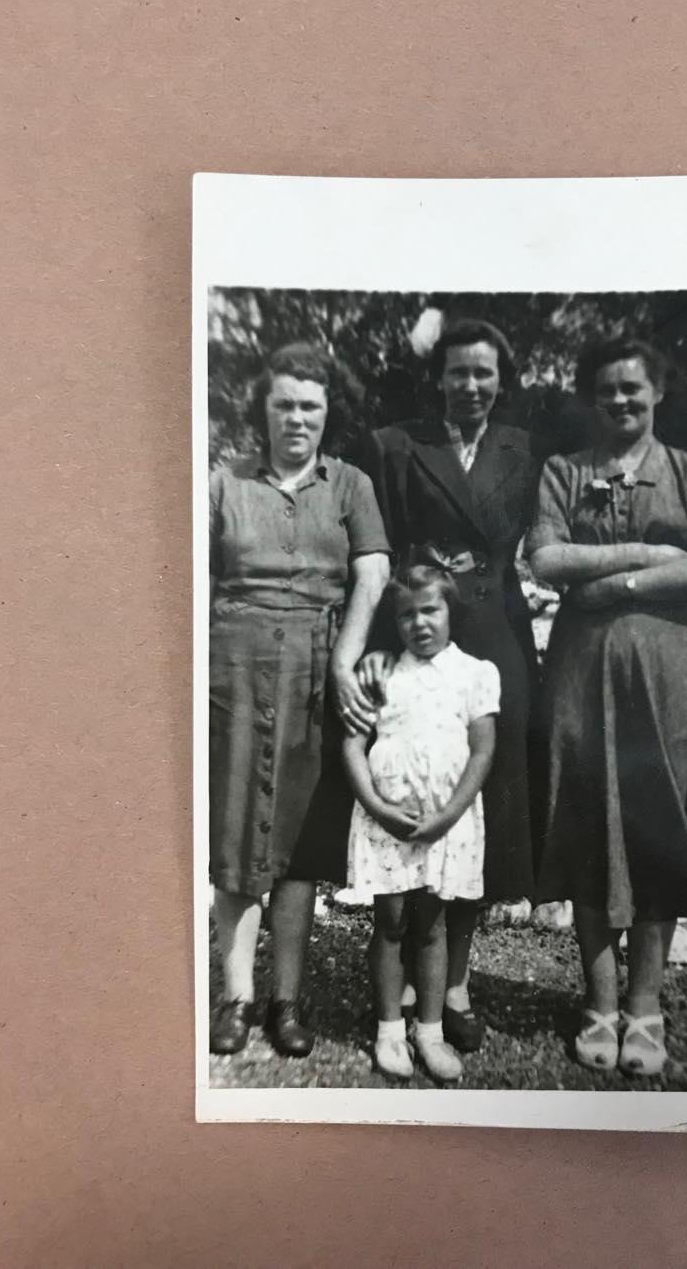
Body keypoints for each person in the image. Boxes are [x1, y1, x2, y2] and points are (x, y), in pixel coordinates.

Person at [528, 335, 687, 1078]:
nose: (620, 400)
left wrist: (618, 587)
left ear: (657, 391)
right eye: (607, 390)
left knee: (658, 829)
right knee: (588, 827)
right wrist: (653, 557)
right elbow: (546, 556)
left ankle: (647, 1005)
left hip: (672, 680)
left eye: (633, 388)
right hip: (584, 679)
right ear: (591, 398)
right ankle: (600, 1003)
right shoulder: (565, 471)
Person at [354, 317, 543, 1053]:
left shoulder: (522, 448)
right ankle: (406, 972)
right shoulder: (397, 445)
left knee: (483, 808)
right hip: (416, 629)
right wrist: (378, 646)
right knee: (412, 789)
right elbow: (381, 556)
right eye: (458, 372)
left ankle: (455, 980)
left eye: (483, 372)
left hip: (493, 636)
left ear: (501, 379)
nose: (471, 385)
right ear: (437, 378)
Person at [208, 342, 389, 1056]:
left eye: (309, 406)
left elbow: (373, 574)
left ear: (326, 412)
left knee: (300, 845)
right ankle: (236, 998)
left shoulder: (351, 485)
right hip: (234, 671)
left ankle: (285, 1001)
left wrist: (345, 659)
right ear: (263, 409)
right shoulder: (223, 485)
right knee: (234, 837)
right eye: (283, 404)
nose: (296, 418)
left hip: (316, 672)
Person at [343, 566, 499, 1083]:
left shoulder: (475, 674)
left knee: (432, 926)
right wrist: (377, 807)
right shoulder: (382, 674)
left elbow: (483, 751)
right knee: (390, 923)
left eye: (430, 609)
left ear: (451, 611)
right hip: (387, 822)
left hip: (444, 822)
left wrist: (449, 816)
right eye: (406, 614)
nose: (420, 623)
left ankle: (429, 1032)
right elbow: (352, 745)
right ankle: (390, 1029)